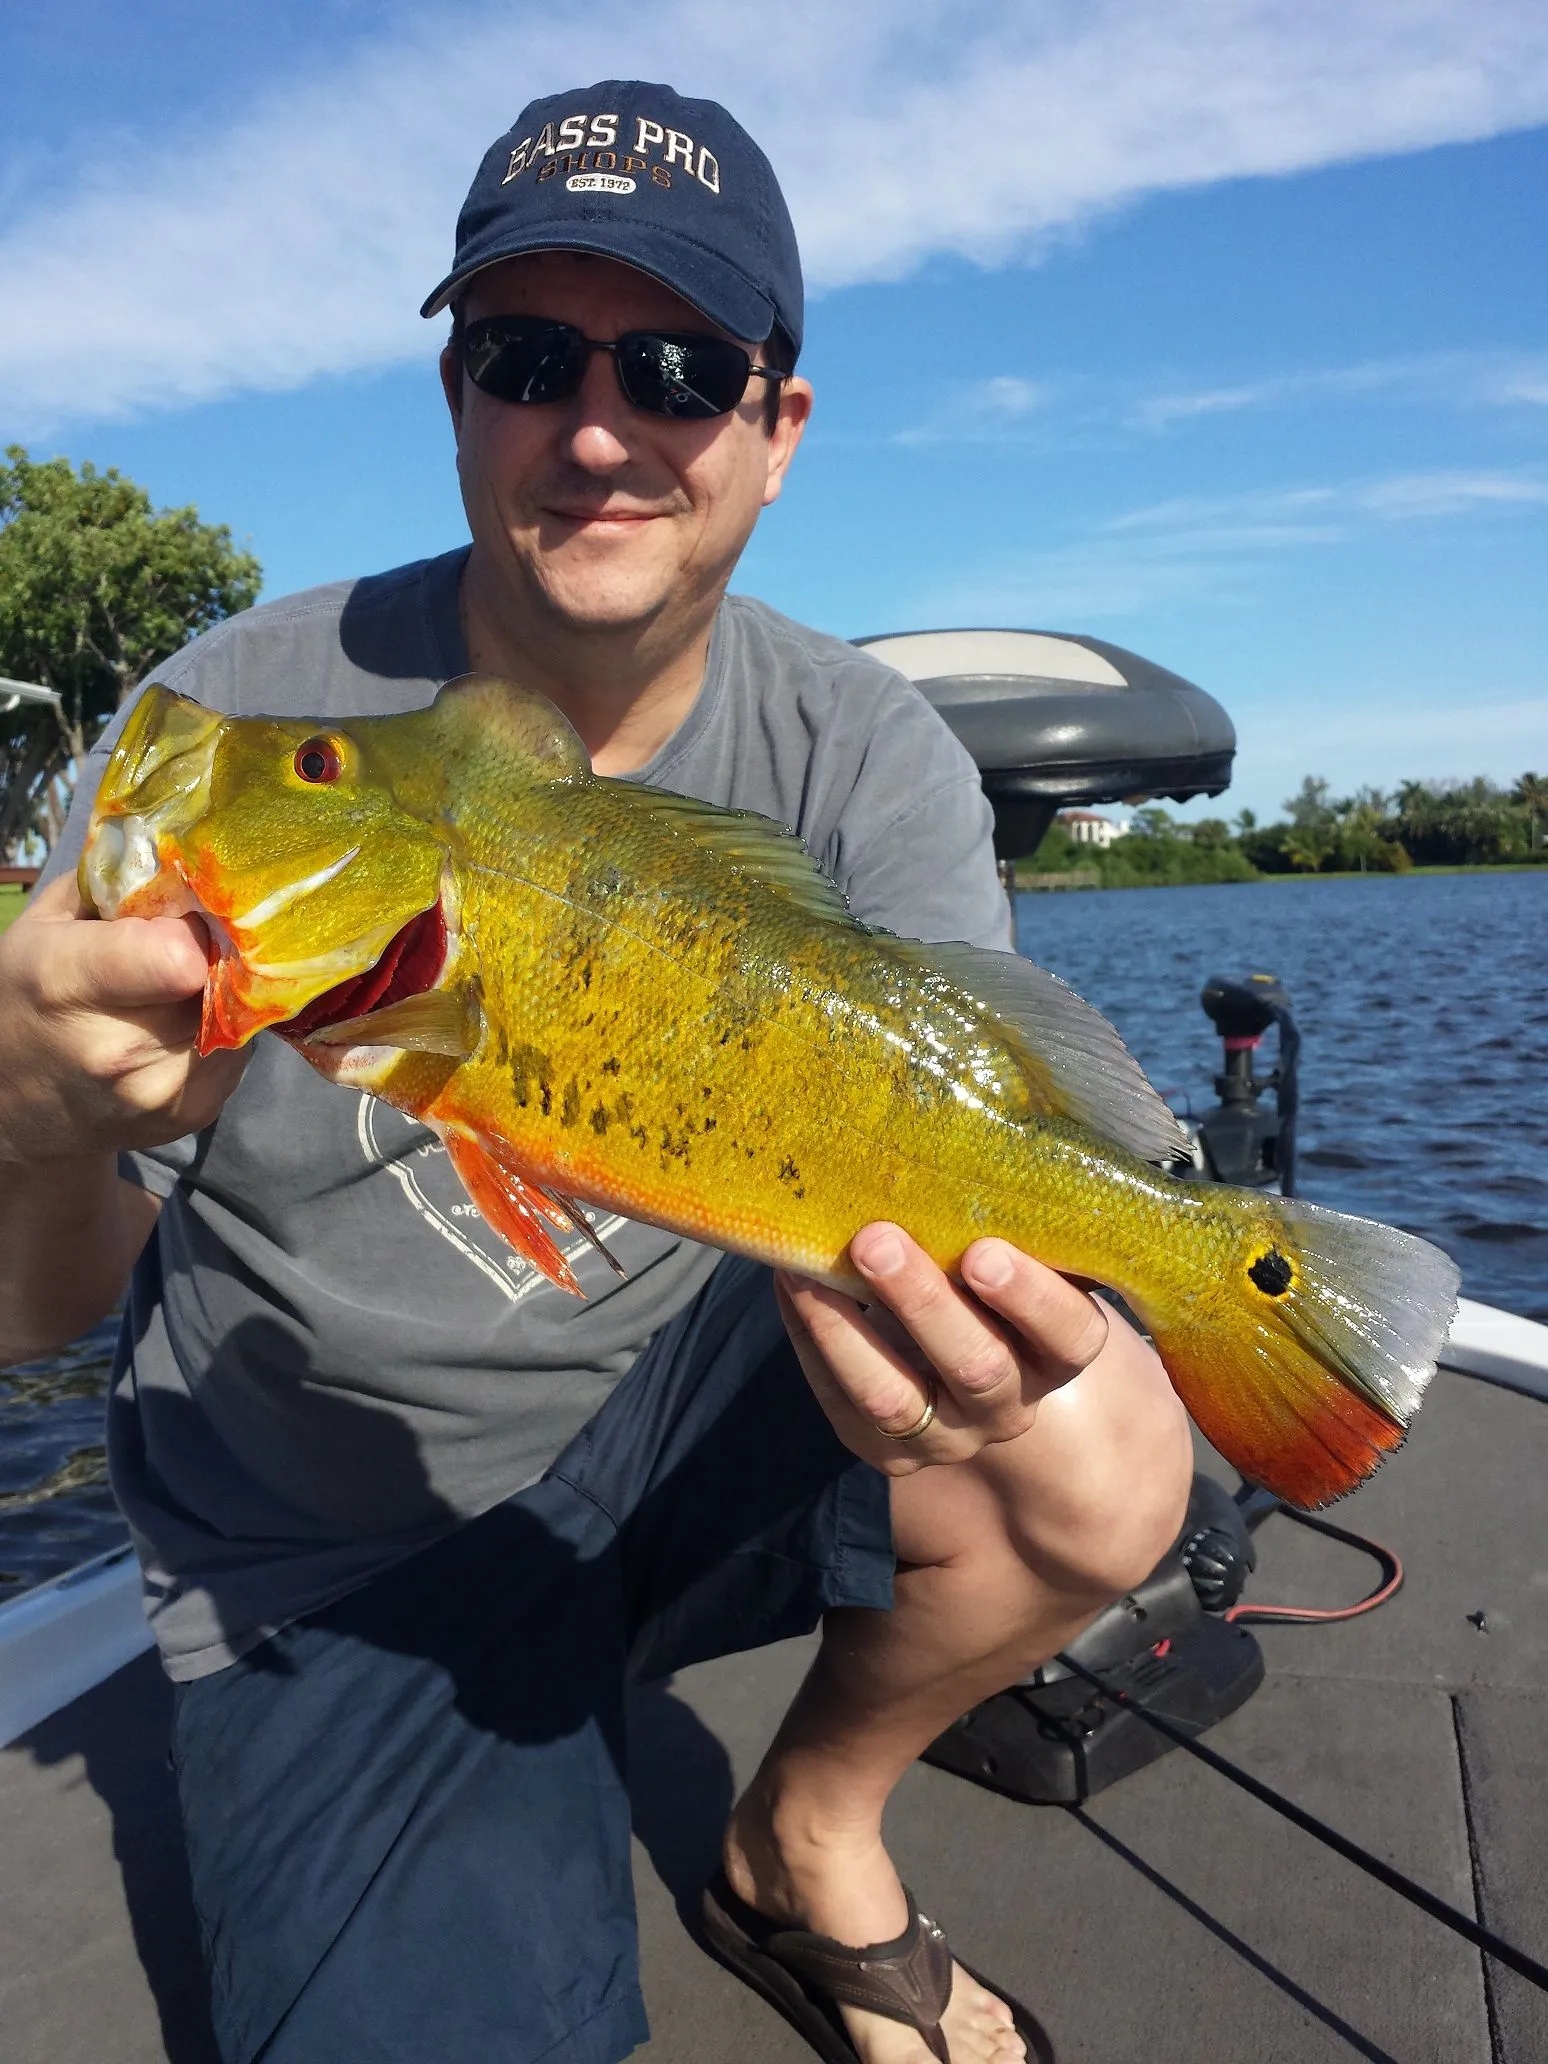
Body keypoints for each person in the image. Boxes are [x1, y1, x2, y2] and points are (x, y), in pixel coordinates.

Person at [0, 81, 1192, 2064]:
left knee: (1103, 1441)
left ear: (775, 425)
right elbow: (42, 1304)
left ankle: (807, 1838)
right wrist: (27, 1119)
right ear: (457, 396)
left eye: (677, 365)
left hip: (690, 1398)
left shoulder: (861, 747)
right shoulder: (230, 725)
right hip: (337, 1539)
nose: (600, 427)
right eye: (528, 357)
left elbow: (968, 1118)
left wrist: (1000, 1312)